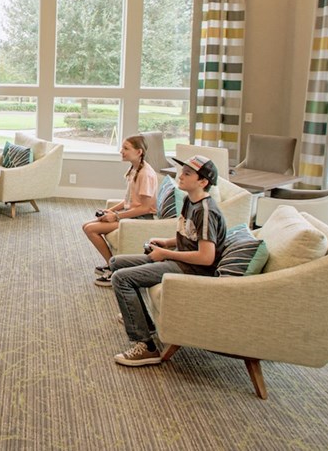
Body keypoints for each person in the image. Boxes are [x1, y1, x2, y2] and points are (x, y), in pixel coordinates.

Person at [109, 154, 227, 367]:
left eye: (188, 174)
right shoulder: (190, 201)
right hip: (180, 260)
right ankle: (145, 324)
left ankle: (146, 346)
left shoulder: (206, 211)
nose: (180, 176)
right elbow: (190, 236)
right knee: (116, 262)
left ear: (203, 182)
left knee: (121, 279)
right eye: (182, 172)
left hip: (192, 270)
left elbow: (206, 257)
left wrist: (166, 254)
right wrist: (167, 241)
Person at [82, 135, 158, 286]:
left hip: (141, 219)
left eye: (126, 148)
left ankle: (114, 268)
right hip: (130, 215)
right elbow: (129, 200)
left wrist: (116, 216)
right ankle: (112, 264)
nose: (121, 151)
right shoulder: (135, 169)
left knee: (91, 229)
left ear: (139, 152)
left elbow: (145, 208)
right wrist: (108, 211)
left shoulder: (145, 174)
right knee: (86, 225)